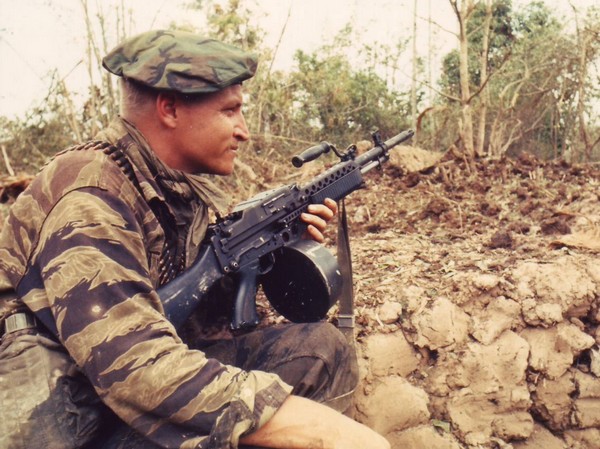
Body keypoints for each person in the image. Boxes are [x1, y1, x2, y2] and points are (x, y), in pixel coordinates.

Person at [0, 29, 390, 449]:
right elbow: (135, 368)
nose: (243, 131)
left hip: (114, 396)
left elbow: (202, 321)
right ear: (169, 108)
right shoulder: (88, 197)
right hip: (69, 419)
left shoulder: (179, 191)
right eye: (230, 111)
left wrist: (274, 252)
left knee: (319, 351)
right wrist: (314, 428)